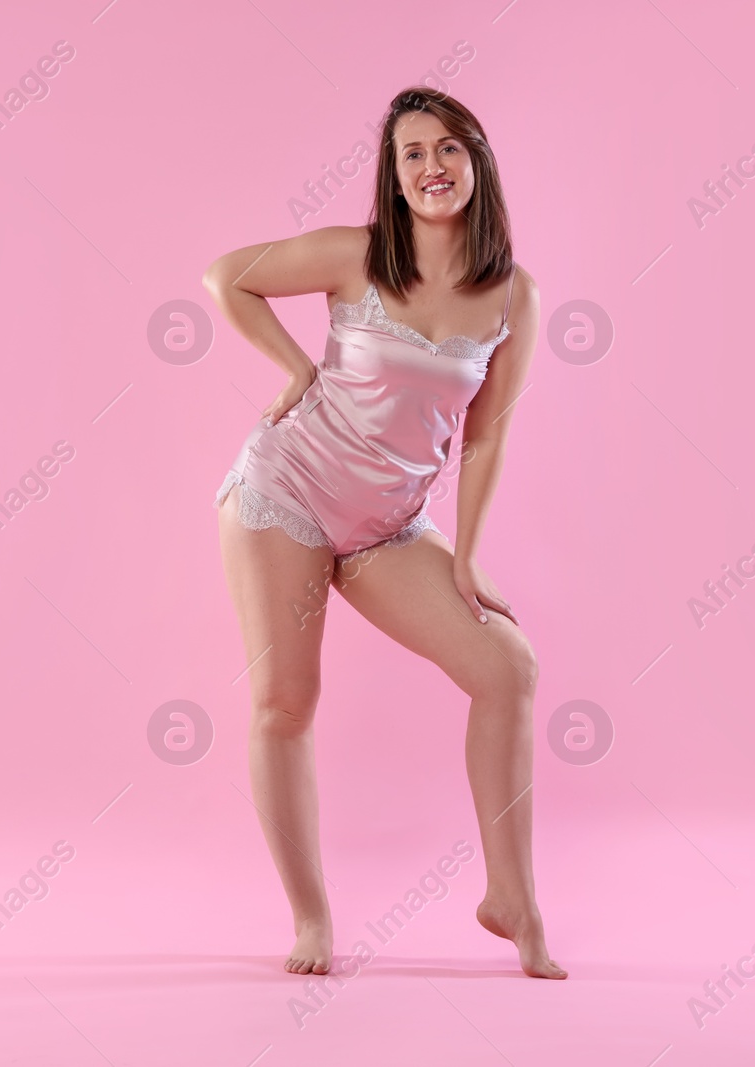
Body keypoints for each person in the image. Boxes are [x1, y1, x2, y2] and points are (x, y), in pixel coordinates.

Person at [203, 87, 564, 980]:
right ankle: (312, 917)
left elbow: (484, 436)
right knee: (286, 703)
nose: (431, 167)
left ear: (476, 162)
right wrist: (294, 366)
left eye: (448, 149)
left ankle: (509, 895)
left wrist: (468, 557)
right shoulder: (357, 257)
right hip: (285, 491)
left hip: (389, 525)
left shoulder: (514, 294)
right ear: (393, 178)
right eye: (411, 155)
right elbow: (226, 275)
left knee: (507, 666)